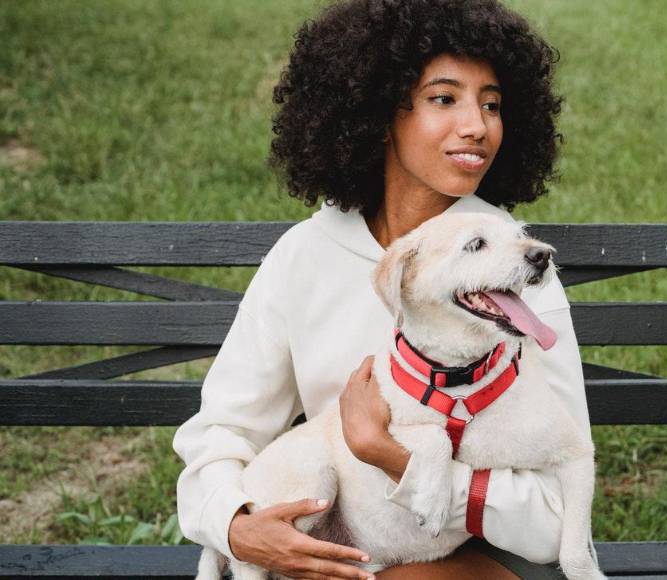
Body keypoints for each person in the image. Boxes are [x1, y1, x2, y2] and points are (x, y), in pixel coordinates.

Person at [173, 1, 593, 578]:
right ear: (376, 113)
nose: (477, 125)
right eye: (444, 98)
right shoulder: (306, 255)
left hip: (475, 552)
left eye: (491, 104)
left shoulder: (511, 271)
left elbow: (556, 507)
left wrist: (393, 456)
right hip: (343, 535)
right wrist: (239, 527)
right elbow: (224, 431)